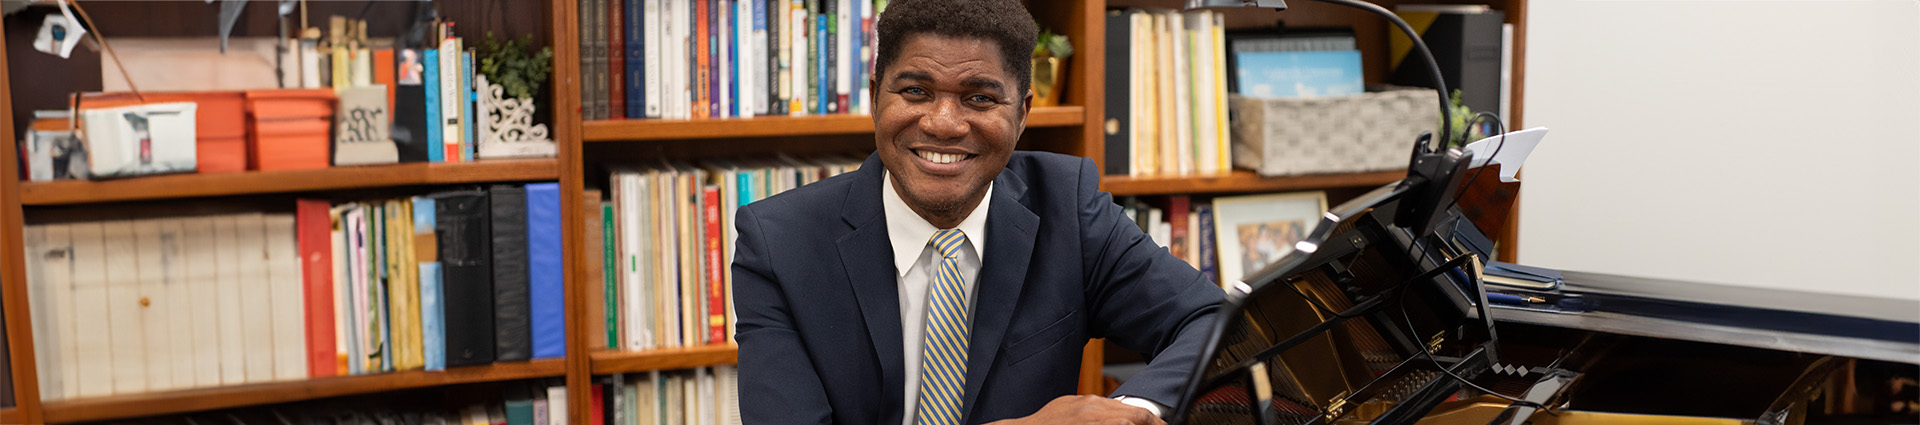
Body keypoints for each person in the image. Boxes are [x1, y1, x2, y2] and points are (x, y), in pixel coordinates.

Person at [730, 0, 1224, 424]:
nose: (943, 124)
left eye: (980, 98)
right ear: (876, 97)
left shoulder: (1067, 208)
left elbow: (1210, 321)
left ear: (1022, 114)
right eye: (916, 91)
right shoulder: (779, 244)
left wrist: (1130, 412)